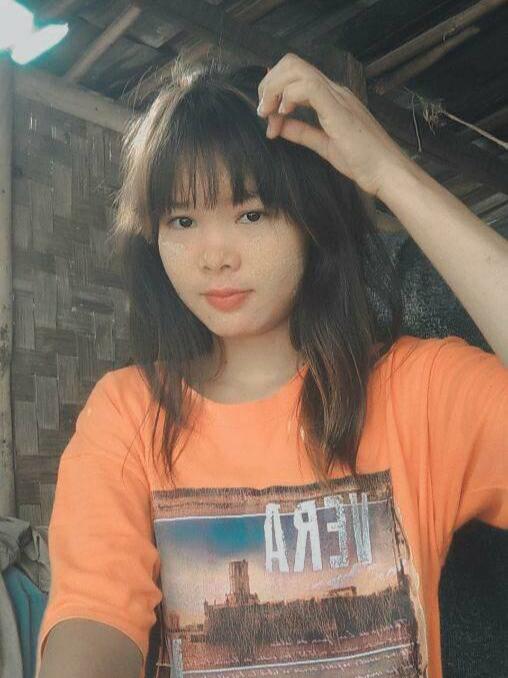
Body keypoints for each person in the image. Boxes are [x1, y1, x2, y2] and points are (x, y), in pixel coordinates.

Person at [35, 53, 507, 678]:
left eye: (251, 213)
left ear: (311, 219)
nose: (214, 256)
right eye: (182, 220)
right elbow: (92, 622)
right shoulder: (128, 414)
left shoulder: (417, 393)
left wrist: (390, 173)